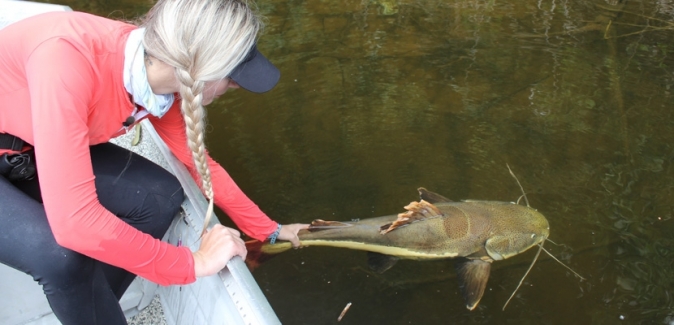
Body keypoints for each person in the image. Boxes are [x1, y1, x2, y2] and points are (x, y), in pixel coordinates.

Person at [0, 0, 307, 324]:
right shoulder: (65, 60)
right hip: (20, 147)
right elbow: (74, 224)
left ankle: (95, 309)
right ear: (196, 65)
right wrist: (193, 263)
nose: (235, 85)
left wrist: (270, 231)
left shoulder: (161, 85)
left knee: (160, 198)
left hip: (28, 148)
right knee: (61, 259)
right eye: (231, 75)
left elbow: (201, 165)